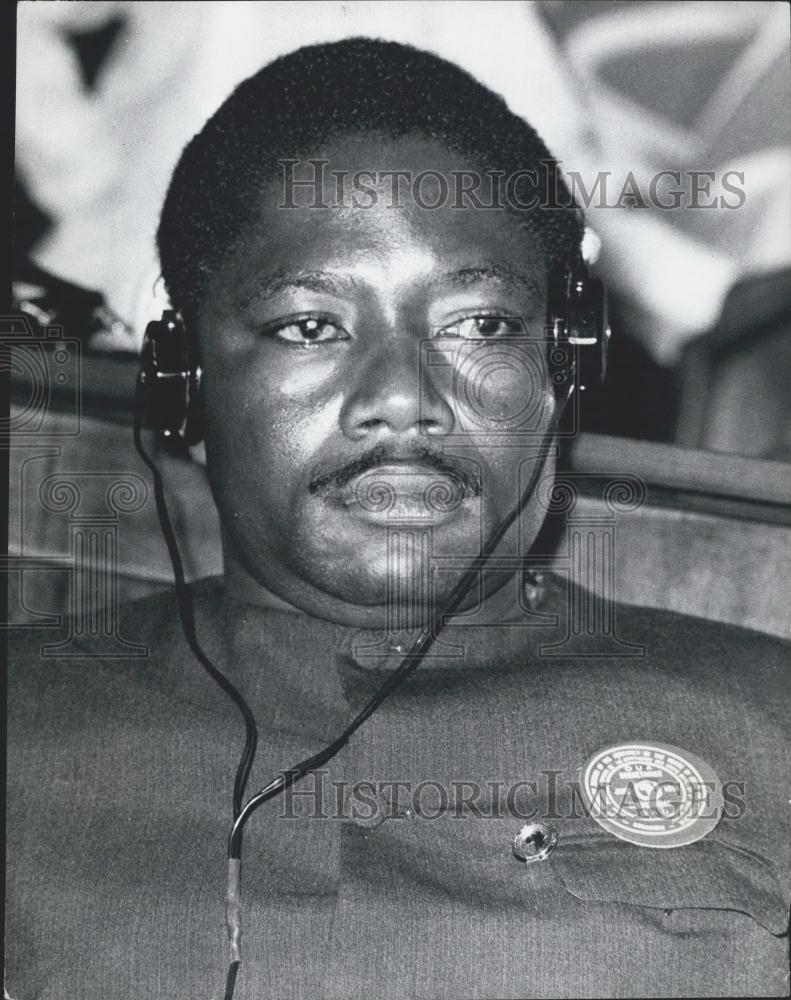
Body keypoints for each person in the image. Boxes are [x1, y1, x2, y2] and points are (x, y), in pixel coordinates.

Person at [6, 38, 790, 1000]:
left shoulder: (768, 722)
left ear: (564, 369)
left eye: (479, 324)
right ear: (184, 382)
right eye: (309, 326)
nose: (403, 397)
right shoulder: (27, 726)